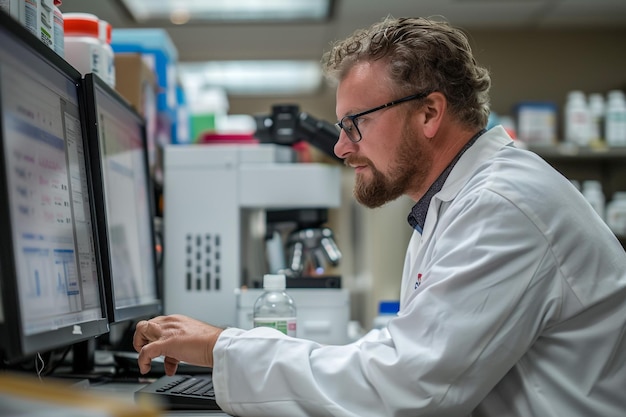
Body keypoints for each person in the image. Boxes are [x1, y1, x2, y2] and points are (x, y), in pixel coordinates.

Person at [134, 16, 626, 416]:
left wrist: (224, 346)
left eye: (355, 124)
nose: (341, 146)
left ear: (430, 113)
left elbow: (407, 387)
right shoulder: (452, 202)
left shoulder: (501, 204)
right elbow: (409, 362)